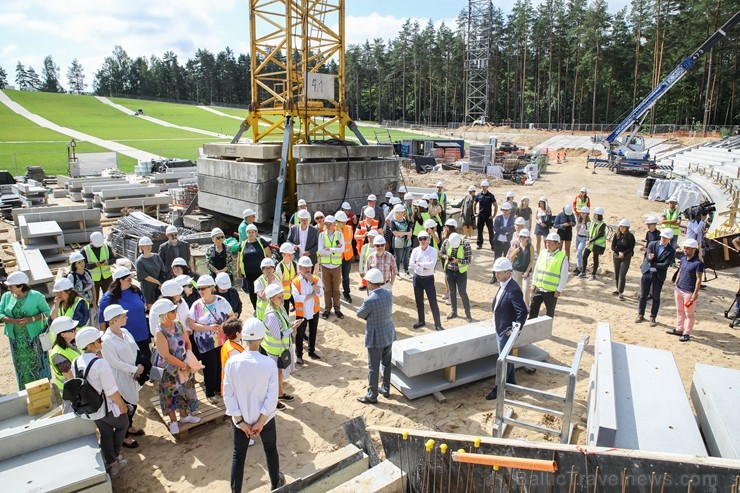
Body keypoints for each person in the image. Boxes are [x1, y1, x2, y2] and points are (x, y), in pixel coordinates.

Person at [223, 318, 286, 493]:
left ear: (243, 338)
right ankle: (275, 483)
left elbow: (228, 395)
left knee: (238, 455)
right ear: (262, 339)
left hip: (240, 419)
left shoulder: (232, 363)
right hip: (265, 420)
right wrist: (260, 422)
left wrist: (240, 421)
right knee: (270, 449)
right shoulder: (269, 364)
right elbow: (271, 398)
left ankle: (236, 491)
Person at [72, 327, 130, 476]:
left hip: (91, 408)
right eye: (98, 340)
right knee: (123, 425)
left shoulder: (76, 361)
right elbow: (111, 392)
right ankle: (115, 457)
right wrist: (122, 406)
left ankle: (111, 463)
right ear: (91, 346)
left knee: (105, 433)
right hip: (106, 407)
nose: (101, 342)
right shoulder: (100, 364)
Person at [101, 304, 145, 450]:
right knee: (126, 407)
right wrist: (134, 369)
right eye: (123, 316)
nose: (126, 317)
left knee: (133, 403)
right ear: (114, 320)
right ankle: (125, 436)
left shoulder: (125, 332)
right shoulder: (106, 340)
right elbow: (115, 363)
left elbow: (135, 349)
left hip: (133, 375)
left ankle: (130, 427)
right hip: (120, 379)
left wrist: (140, 364)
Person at [485, 257, 529, 401]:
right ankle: (511, 381)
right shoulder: (505, 283)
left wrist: (515, 329)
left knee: (502, 360)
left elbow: (522, 311)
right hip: (500, 326)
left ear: (509, 272)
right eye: (495, 272)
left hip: (505, 330)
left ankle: (499, 388)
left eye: (499, 273)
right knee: (507, 357)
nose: (496, 275)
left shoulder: (513, 289)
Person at [154, 300, 200, 434]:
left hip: (184, 365)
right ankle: (173, 421)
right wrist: (182, 365)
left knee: (185, 390)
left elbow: (187, 342)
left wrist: (188, 358)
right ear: (165, 315)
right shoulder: (160, 332)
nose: (175, 312)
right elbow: (166, 355)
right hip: (170, 370)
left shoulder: (179, 324)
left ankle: (185, 416)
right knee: (170, 394)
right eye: (172, 311)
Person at [188, 275, 235, 402]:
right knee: (210, 367)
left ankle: (219, 388)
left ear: (212, 288)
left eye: (203, 288)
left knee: (220, 364)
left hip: (221, 340)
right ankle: (210, 393)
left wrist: (224, 325)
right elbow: (191, 324)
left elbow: (232, 316)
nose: (201, 291)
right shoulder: (196, 305)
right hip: (205, 342)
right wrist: (208, 328)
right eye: (199, 289)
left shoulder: (221, 301)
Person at [0, 272, 51, 389]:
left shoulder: (36, 296)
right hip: (16, 340)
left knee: (37, 363)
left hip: (34, 338)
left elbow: (46, 312)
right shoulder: (6, 296)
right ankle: (24, 390)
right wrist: (13, 321)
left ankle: (42, 389)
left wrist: (31, 319)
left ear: (21, 286)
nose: (8, 288)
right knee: (20, 365)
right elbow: (0, 313)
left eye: (11, 286)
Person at [356, 268, 395, 404]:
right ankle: (385, 388)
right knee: (387, 363)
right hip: (388, 334)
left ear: (371, 284)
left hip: (375, 337)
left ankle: (372, 395)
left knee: (373, 367)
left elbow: (360, 314)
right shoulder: (389, 294)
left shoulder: (369, 300)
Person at [261, 284, 302, 408]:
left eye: (282, 296)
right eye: (279, 297)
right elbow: (278, 336)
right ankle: (273, 401)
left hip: (279, 350)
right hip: (273, 352)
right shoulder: (271, 315)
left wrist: (291, 324)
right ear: (271, 299)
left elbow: (284, 323)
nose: (282, 299)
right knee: (272, 378)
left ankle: (280, 394)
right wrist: (292, 329)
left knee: (278, 374)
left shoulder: (280, 308)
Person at [98, 267, 150, 366]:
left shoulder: (136, 290)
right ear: (120, 280)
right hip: (123, 339)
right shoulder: (108, 298)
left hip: (142, 334)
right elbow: (102, 320)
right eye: (128, 279)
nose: (131, 281)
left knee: (146, 362)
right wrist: (104, 339)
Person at [636, 228, 676, 326]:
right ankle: (640, 314)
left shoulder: (671, 250)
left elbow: (665, 264)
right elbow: (647, 257)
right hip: (647, 272)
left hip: (659, 275)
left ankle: (653, 317)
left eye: (666, 238)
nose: (663, 239)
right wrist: (650, 259)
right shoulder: (652, 244)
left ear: (669, 239)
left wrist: (653, 264)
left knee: (656, 296)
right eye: (662, 237)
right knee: (643, 295)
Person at [668, 238, 703, 342]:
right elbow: (680, 271)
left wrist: (695, 293)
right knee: (680, 310)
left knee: (689, 314)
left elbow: (699, 279)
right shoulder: (683, 259)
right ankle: (679, 329)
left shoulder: (698, 263)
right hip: (679, 289)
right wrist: (677, 282)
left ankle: (687, 333)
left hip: (689, 291)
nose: (685, 250)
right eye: (685, 248)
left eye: (687, 248)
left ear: (693, 249)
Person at [291, 257, 323, 365]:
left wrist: (312, 283)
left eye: (309, 267)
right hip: (302, 313)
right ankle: (299, 355)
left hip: (314, 311)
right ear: (299, 268)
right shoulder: (295, 282)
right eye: (305, 267)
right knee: (300, 334)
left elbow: (320, 293)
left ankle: (311, 352)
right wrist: (312, 295)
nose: (307, 269)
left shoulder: (316, 279)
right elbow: (297, 298)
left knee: (313, 331)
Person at [409, 231, 444, 331]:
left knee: (433, 301)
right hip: (417, 278)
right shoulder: (415, 250)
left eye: (425, 238)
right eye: (421, 239)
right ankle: (421, 321)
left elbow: (432, 265)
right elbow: (411, 263)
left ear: (429, 239)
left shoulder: (433, 251)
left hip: (428, 279)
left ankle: (438, 324)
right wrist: (423, 267)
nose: (423, 241)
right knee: (419, 301)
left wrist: (419, 264)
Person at [530, 233, 569, 319]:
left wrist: (559, 289)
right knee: (533, 311)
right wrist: (533, 283)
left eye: (551, 242)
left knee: (549, 314)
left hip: (551, 291)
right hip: (539, 288)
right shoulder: (543, 252)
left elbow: (564, 275)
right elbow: (536, 269)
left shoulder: (562, 257)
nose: (548, 244)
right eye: (547, 242)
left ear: (557, 244)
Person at [48, 316, 81, 412]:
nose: (75, 331)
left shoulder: (72, 344)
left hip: (78, 391)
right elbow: (70, 378)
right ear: (63, 334)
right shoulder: (58, 355)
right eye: (72, 330)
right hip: (72, 395)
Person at [440, 232, 472, 322]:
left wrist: (458, 260)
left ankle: (468, 313)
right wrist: (447, 257)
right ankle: (454, 311)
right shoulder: (446, 242)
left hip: (461, 272)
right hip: (449, 271)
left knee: (462, 293)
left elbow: (469, 260)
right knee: (452, 292)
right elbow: (441, 253)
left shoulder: (466, 244)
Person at [318, 215, 345, 319]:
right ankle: (327, 309)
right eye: (326, 224)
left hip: (336, 266)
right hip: (325, 265)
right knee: (327, 289)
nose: (328, 226)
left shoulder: (339, 235)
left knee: (337, 289)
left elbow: (342, 250)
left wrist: (328, 249)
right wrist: (334, 249)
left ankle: (337, 309)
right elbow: (320, 250)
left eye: (330, 224)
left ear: (334, 225)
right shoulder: (321, 235)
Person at [237, 224, 270, 310]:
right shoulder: (243, 244)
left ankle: (265, 307)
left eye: (253, 232)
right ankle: (256, 309)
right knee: (252, 291)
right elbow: (239, 258)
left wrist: (269, 268)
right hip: (249, 273)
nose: (251, 234)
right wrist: (238, 270)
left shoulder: (261, 242)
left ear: (256, 233)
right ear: (246, 233)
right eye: (249, 232)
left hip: (261, 272)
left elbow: (268, 255)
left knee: (263, 289)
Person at [83, 231, 116, 301]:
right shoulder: (85, 250)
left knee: (109, 297)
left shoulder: (106, 247)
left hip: (107, 278)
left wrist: (108, 262)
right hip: (93, 280)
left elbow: (113, 259)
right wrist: (94, 265)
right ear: (91, 241)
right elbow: (82, 266)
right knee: (94, 299)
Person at [136, 236, 167, 308]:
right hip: (148, 288)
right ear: (141, 247)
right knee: (151, 307)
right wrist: (158, 282)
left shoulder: (156, 256)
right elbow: (144, 276)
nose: (148, 247)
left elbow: (163, 270)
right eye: (146, 246)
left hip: (159, 286)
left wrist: (161, 283)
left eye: (150, 245)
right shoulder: (139, 261)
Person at [508, 229, 535, 307]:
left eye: (524, 237)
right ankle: (517, 305)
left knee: (526, 289)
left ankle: (526, 306)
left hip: (525, 271)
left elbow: (531, 260)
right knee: (517, 289)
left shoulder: (530, 247)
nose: (522, 238)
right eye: (521, 237)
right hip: (516, 270)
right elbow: (511, 258)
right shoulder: (517, 245)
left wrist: (527, 271)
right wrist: (516, 251)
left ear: (527, 238)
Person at [67, 251, 96, 320]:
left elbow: (93, 287)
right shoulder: (71, 276)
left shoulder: (87, 272)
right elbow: (71, 292)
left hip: (91, 303)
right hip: (79, 305)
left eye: (82, 261)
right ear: (75, 265)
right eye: (79, 262)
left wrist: (94, 300)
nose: (82, 263)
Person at [612, 219, 636, 300]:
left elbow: (631, 248)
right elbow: (613, 246)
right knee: (617, 273)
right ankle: (617, 289)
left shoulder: (630, 236)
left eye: (624, 227)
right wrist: (618, 252)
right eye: (621, 226)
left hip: (626, 257)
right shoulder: (616, 235)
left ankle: (621, 292)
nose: (622, 228)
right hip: (617, 255)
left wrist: (623, 253)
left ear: (627, 228)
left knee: (622, 274)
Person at [581, 207, 607, 280]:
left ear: (600, 215)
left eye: (597, 214)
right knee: (584, 256)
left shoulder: (602, 224)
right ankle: (583, 272)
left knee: (595, 258)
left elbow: (600, 234)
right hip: (590, 243)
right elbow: (590, 231)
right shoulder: (592, 222)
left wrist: (590, 240)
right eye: (595, 214)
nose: (595, 215)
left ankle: (593, 274)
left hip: (597, 245)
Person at [334, 211, 354, 303]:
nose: (345, 223)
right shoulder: (332, 231)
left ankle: (346, 293)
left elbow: (349, 241)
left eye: (345, 221)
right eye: (343, 222)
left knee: (346, 277)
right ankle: (334, 294)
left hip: (347, 257)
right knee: (336, 278)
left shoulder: (349, 228)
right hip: (337, 258)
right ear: (337, 222)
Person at [390, 204, 413, 278]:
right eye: (402, 212)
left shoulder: (405, 219)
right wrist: (407, 233)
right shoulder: (393, 222)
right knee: (398, 257)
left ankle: (406, 271)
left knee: (406, 257)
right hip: (398, 242)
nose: (403, 213)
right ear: (397, 213)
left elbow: (410, 227)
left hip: (407, 241)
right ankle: (397, 272)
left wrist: (410, 234)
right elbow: (395, 233)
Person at [474, 180, 497, 250]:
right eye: (482, 186)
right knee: (479, 230)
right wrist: (475, 213)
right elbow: (474, 204)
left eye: (485, 186)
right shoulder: (478, 195)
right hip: (480, 216)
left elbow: (495, 206)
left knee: (491, 231)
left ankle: (493, 245)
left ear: (487, 187)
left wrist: (493, 215)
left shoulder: (491, 196)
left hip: (488, 216)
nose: (483, 188)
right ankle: (479, 244)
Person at [574, 206, 591, 276]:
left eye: (584, 213)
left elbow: (589, 231)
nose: (582, 214)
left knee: (579, 252)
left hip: (584, 238)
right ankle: (579, 267)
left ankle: (580, 268)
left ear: (587, 214)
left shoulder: (588, 222)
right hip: (578, 237)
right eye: (581, 213)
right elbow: (577, 228)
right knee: (578, 253)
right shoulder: (579, 220)